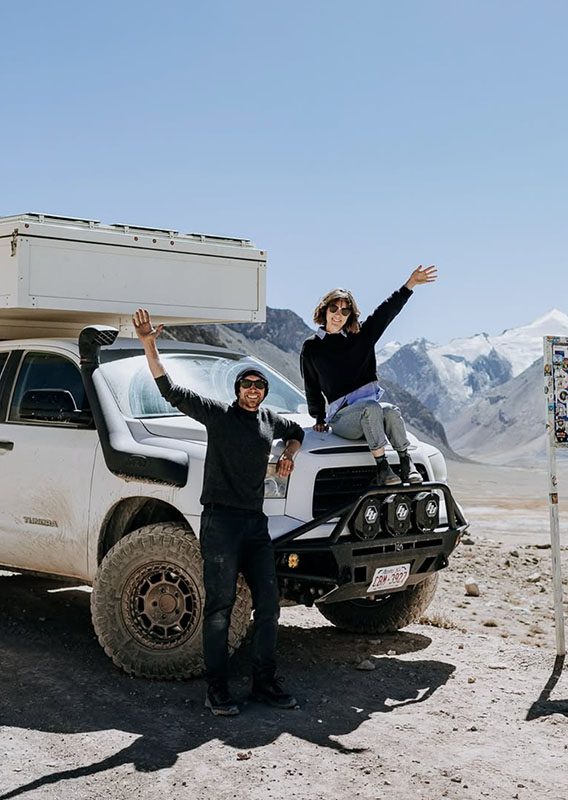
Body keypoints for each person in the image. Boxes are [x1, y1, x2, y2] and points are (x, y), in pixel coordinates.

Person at [132, 308, 304, 717]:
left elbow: (295, 431)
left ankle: (264, 683)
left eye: (259, 386)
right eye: (247, 385)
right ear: (236, 389)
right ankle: (217, 689)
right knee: (219, 608)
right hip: (221, 523)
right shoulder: (218, 415)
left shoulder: (267, 419)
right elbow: (169, 389)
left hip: (255, 524)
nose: (253, 391)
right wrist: (148, 344)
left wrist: (289, 453)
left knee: (269, 604)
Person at [300, 265, 437, 486]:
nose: (338, 315)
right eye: (334, 308)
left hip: (371, 416)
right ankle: (382, 468)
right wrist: (318, 417)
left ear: (350, 315)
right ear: (324, 310)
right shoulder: (312, 347)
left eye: (345, 311)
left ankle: (406, 463)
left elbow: (386, 311)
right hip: (344, 419)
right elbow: (311, 384)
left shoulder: (361, 336)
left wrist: (410, 284)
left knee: (390, 410)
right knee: (372, 408)